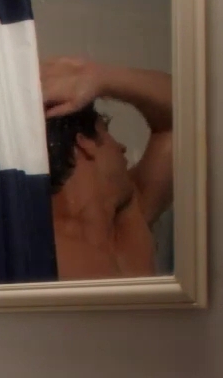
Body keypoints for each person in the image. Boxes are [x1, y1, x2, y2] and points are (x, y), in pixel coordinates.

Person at [41, 56, 175, 279]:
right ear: (86, 143)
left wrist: (101, 77)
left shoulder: (131, 219)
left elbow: (184, 113)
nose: (122, 147)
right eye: (108, 132)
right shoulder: (35, 248)